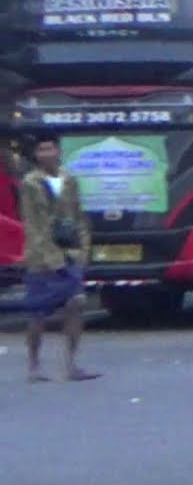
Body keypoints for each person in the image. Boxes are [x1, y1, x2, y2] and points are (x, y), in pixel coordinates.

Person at [19, 132, 100, 383]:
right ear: (36, 154)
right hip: (41, 258)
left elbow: (79, 216)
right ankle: (34, 365)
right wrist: (52, 258)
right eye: (41, 150)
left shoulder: (69, 180)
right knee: (38, 312)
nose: (46, 154)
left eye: (50, 149)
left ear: (58, 151)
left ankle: (72, 364)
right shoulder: (30, 183)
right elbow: (34, 225)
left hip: (70, 254)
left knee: (75, 305)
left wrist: (82, 251)